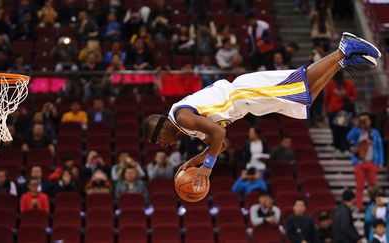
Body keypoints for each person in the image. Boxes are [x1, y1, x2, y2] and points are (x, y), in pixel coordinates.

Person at [142, 32, 381, 192]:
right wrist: (195, 161)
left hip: (243, 94)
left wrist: (206, 167)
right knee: (303, 99)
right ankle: (342, 59)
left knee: (302, 83)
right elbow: (221, 144)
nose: (160, 145)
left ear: (163, 126)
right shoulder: (186, 126)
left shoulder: (182, 117)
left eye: (157, 139)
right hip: (246, 106)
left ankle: (343, 49)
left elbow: (217, 134)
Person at [347, 113, 384, 210]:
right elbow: (348, 137)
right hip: (359, 162)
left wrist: (380, 162)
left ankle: (374, 204)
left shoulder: (375, 133)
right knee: (359, 186)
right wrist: (356, 125)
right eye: (362, 120)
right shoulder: (357, 131)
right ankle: (359, 205)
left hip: (371, 162)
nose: (364, 122)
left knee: (373, 187)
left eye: (366, 120)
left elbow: (379, 148)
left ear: (370, 121)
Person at [325, 71, 357, 153]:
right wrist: (326, 110)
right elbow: (326, 99)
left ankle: (345, 147)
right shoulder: (331, 85)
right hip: (332, 111)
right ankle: (337, 146)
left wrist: (348, 99)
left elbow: (354, 95)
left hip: (343, 110)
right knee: (334, 129)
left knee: (342, 129)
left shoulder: (348, 84)